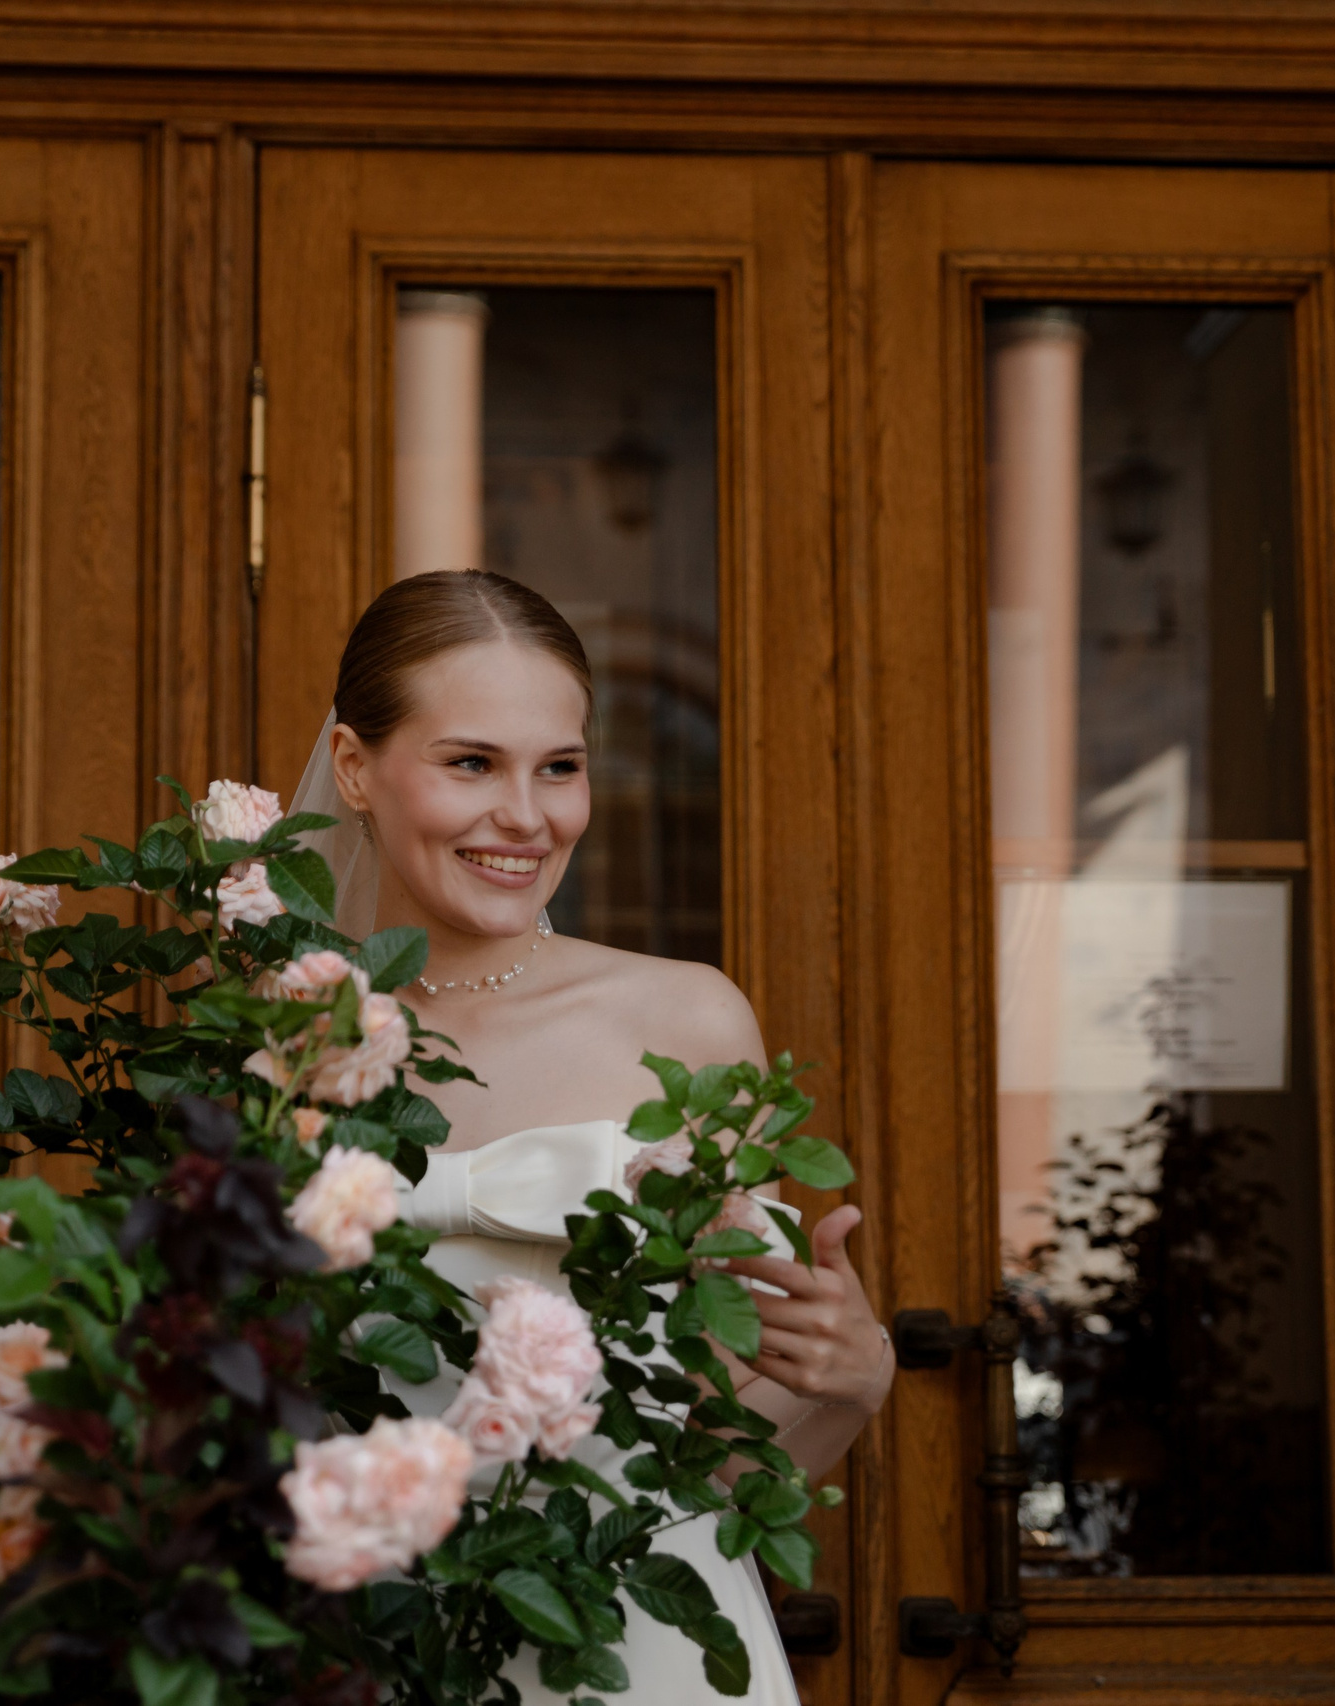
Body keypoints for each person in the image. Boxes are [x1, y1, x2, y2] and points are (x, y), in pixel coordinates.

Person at [289, 569, 891, 1705]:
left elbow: (710, 1474)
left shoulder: (685, 1020)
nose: (526, 814)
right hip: (360, 1661)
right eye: (472, 762)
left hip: (638, 1654)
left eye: (557, 767)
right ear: (357, 766)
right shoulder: (276, 1051)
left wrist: (850, 1381)